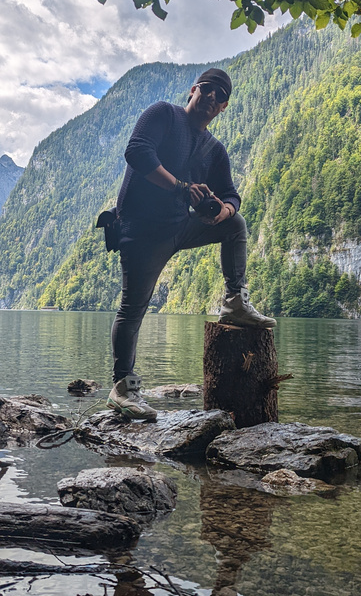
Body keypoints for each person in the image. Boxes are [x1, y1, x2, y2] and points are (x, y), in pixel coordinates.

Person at [108, 68, 275, 421]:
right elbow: (137, 153)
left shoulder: (214, 149)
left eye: (220, 97)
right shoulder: (163, 114)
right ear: (193, 90)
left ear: (224, 108)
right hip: (140, 231)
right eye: (209, 90)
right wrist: (182, 188)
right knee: (133, 308)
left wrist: (224, 209)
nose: (212, 98)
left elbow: (231, 194)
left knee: (236, 224)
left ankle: (234, 302)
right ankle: (123, 388)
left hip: (180, 227)